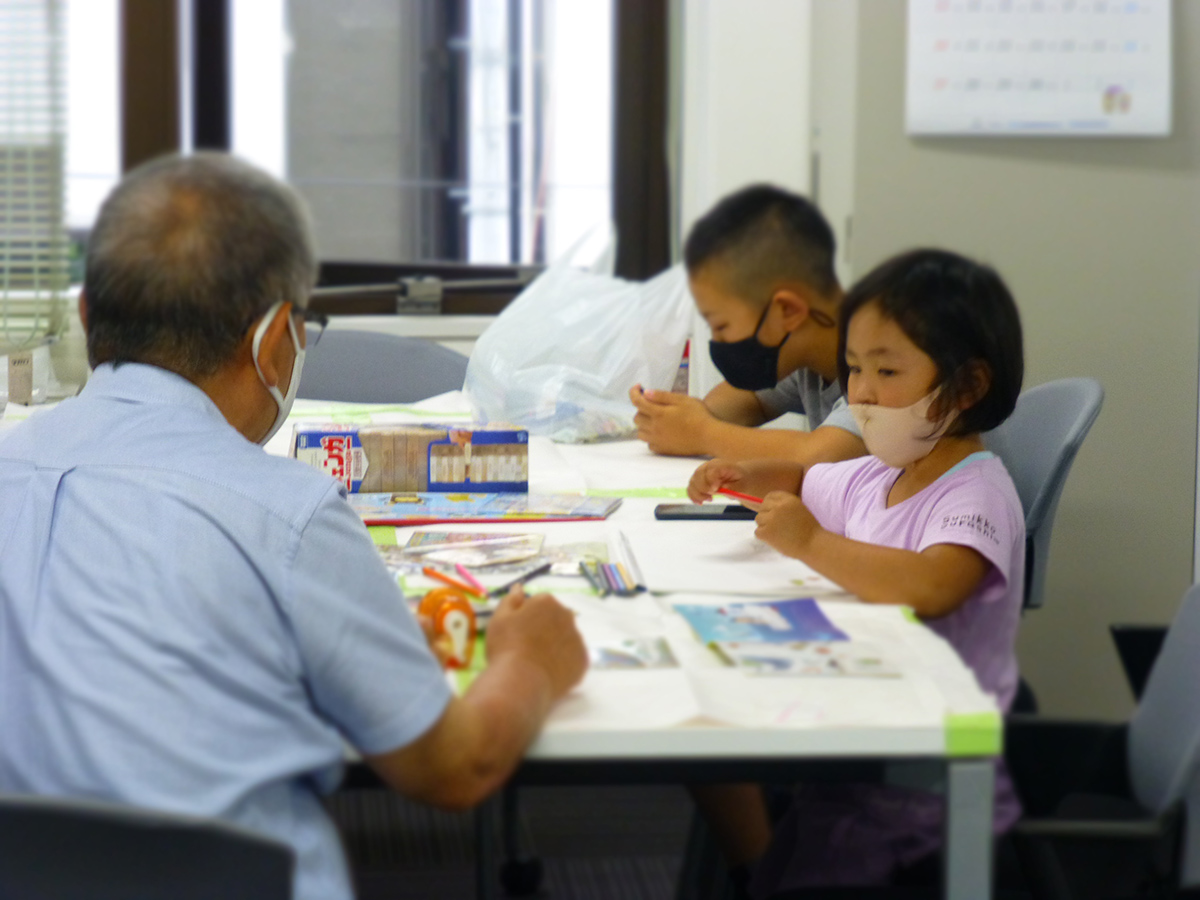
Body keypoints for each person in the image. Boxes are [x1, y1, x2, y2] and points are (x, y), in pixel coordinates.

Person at [0, 152, 588, 900]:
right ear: (276, 337)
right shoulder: (285, 512)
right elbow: (453, 768)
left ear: (88, 316)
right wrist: (531, 662)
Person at [689, 248, 1026, 892]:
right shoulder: (883, 473)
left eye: (886, 370)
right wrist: (741, 475)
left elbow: (933, 585)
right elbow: (806, 477)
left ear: (968, 385)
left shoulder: (973, 491)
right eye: (853, 368)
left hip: (923, 788)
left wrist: (811, 543)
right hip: (859, 746)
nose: (861, 392)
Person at [630, 184, 864, 467]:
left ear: (788, 310)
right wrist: (670, 416)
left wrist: (701, 433)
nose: (718, 341)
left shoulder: (882, 358)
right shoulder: (807, 358)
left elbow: (821, 454)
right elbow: (745, 402)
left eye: (722, 326)